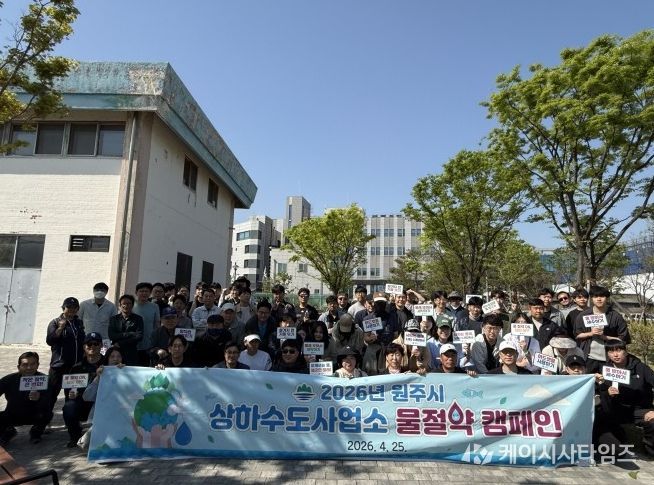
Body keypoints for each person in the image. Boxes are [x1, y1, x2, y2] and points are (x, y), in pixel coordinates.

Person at [594, 338, 654, 457]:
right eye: (611, 351)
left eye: (619, 350)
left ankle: (649, 451)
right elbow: (599, 394)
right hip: (614, 410)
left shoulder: (640, 368)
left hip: (639, 410)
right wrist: (607, 392)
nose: (615, 354)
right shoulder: (603, 370)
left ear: (626, 352)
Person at [0, 352, 52, 445]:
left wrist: (40, 397)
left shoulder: (44, 380)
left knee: (47, 414)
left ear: (38, 365)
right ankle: (8, 432)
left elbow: (50, 399)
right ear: (18, 366)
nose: (29, 367)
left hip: (35, 415)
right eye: (25, 364)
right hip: (12, 414)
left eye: (33, 364)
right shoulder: (8, 379)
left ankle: (36, 433)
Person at [78, 346, 125, 449]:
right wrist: (98, 378)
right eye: (112, 356)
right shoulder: (101, 374)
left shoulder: (128, 374)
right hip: (102, 414)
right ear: (107, 359)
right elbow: (87, 397)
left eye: (118, 356)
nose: (116, 359)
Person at [574, 285, 630, 371]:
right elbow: (577, 335)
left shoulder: (616, 316)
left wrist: (605, 337)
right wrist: (591, 333)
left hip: (610, 358)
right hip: (589, 357)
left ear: (607, 298)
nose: (599, 299)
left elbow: (623, 339)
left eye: (602, 296)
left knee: (607, 379)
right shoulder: (583, 315)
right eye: (595, 296)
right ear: (591, 299)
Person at [62, 332, 104, 447]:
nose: (92, 346)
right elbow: (69, 388)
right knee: (69, 407)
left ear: (101, 345)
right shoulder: (77, 367)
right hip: (82, 401)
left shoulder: (108, 364)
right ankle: (75, 436)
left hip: (102, 402)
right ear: (84, 346)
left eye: (96, 343)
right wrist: (71, 394)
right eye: (89, 344)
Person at [46, 296, 85, 412]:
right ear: (63, 308)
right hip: (59, 365)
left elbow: (82, 340)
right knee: (51, 395)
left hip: (75, 366)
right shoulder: (55, 322)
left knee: (72, 395)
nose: (72, 309)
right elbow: (50, 340)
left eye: (75, 307)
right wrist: (60, 328)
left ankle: (70, 418)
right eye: (69, 307)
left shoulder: (79, 322)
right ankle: (44, 419)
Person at [108, 294, 144, 366]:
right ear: (120, 305)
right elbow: (111, 335)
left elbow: (139, 336)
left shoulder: (138, 319)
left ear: (132, 305)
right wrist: (130, 334)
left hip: (131, 352)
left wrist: (120, 343)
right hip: (116, 352)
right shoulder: (114, 319)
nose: (126, 306)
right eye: (124, 303)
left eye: (129, 303)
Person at [133, 282, 161, 366]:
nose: (144, 293)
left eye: (146, 291)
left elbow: (157, 325)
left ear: (150, 293)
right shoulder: (131, 305)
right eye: (141, 291)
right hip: (133, 344)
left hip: (149, 345)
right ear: (136, 292)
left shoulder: (155, 306)